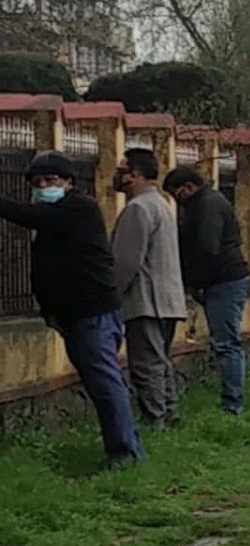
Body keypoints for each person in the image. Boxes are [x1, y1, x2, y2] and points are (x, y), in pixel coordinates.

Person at [0, 151, 143, 465]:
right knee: (100, 382)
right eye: (37, 182)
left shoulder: (78, 208)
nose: (43, 186)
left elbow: (31, 217)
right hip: (75, 314)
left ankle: (125, 452)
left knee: (104, 382)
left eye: (50, 180)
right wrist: (51, 311)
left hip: (93, 312)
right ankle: (124, 446)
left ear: (68, 182)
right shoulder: (59, 215)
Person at [163, 166, 250, 415]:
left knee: (226, 343)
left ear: (189, 187)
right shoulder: (205, 203)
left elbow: (207, 247)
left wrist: (196, 281)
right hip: (222, 278)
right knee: (225, 341)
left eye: (175, 193)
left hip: (223, 279)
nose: (175, 200)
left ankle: (233, 404)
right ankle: (232, 400)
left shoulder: (207, 205)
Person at [111, 148, 187, 431]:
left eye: (123, 170)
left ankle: (156, 421)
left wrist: (113, 294)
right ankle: (169, 413)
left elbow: (127, 260)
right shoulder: (162, 205)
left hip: (145, 300)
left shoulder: (138, 209)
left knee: (146, 365)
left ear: (136, 175)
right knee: (160, 361)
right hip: (167, 299)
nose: (118, 176)